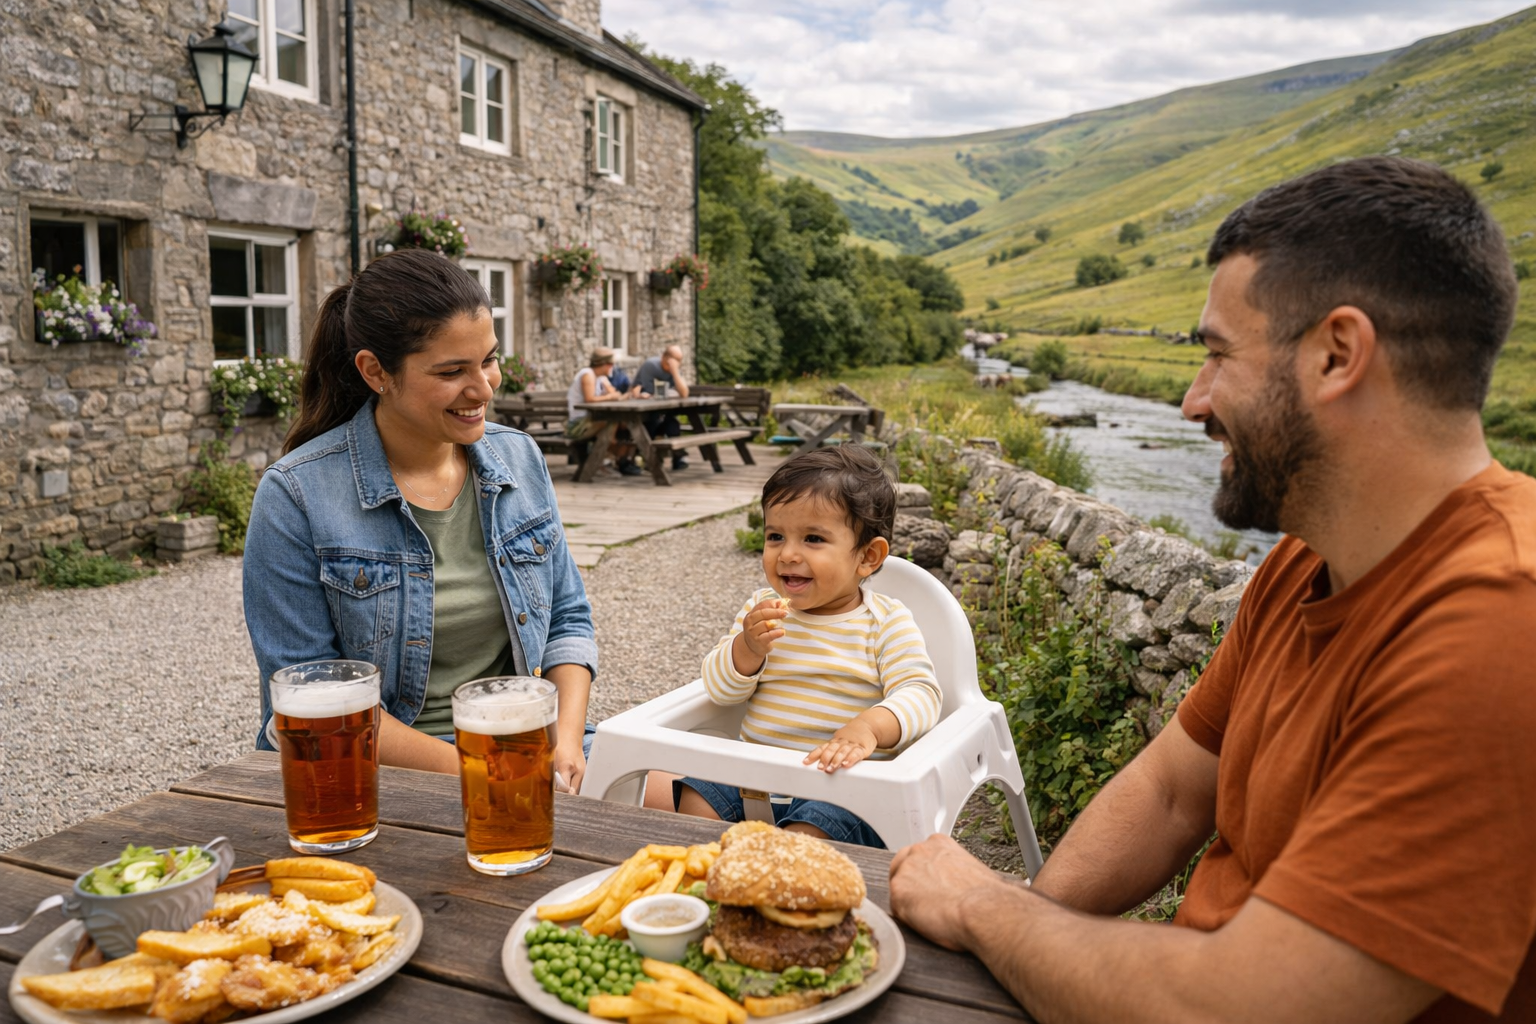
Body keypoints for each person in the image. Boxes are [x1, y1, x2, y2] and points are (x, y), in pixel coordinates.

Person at [888, 156, 1536, 1022]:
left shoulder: (1501, 623)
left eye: (1218, 355)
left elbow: (1240, 1008)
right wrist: (1026, 931)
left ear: (1338, 355)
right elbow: (1171, 790)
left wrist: (983, 907)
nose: (1193, 401)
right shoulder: (1305, 563)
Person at [243, 248, 599, 791]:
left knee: (697, 798)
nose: (483, 388)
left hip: (526, 742)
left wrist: (567, 742)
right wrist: (484, 772)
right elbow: (312, 699)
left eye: (489, 360)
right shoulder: (295, 494)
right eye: (453, 371)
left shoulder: (520, 458)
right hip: (370, 770)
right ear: (375, 371)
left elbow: (568, 621)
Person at [671, 445, 942, 847]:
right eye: (775, 536)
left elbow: (922, 695)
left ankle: (783, 888)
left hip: (839, 790)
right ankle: (713, 875)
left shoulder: (884, 622)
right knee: (696, 794)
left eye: (813, 539)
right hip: (754, 782)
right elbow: (720, 691)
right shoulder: (760, 611)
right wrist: (747, 648)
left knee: (808, 836)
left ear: (868, 557)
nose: (788, 554)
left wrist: (870, 727)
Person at [567, 347, 644, 476]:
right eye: (610, 364)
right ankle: (609, 461)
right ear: (601, 364)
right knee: (613, 423)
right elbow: (590, 399)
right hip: (578, 425)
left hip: (592, 420)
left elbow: (614, 393)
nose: (612, 367)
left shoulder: (600, 377)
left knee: (625, 425)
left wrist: (615, 394)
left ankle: (619, 460)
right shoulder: (587, 374)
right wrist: (610, 396)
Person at [636, 345, 691, 471]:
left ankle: (677, 457)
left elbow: (684, 393)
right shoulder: (650, 366)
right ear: (666, 358)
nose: (679, 363)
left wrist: (675, 371)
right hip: (646, 413)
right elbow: (638, 389)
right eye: (676, 359)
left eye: (680, 360)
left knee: (671, 422)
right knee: (654, 422)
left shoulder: (674, 371)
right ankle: (653, 460)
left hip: (662, 411)